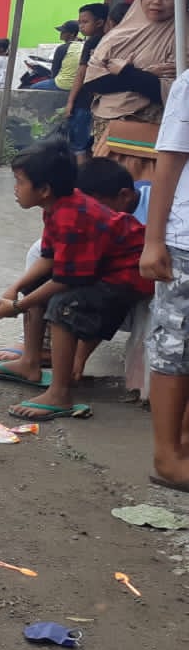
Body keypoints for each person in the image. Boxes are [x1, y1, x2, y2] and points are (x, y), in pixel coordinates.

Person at [0, 144, 151, 422]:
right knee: (35, 286)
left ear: (44, 189)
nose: (15, 188)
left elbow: (67, 279)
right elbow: (49, 258)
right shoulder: (55, 207)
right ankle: (30, 363)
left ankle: (60, 394)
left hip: (127, 275)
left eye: (20, 182)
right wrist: (16, 289)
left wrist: (17, 306)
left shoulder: (72, 215)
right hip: (99, 268)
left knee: (64, 306)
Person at [144, 70, 189, 489]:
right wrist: (153, 239)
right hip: (185, 241)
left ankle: (185, 446)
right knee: (174, 348)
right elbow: (169, 161)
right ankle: (167, 454)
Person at [86, 0, 179, 156]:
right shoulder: (119, 33)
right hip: (108, 125)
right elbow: (94, 82)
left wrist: (126, 71)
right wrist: (145, 75)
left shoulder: (181, 36)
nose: (157, 1)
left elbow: (175, 92)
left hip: (154, 132)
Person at [66, 2, 111, 161]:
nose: (81, 26)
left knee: (79, 147)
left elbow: (81, 73)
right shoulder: (111, 40)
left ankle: (81, 183)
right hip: (102, 104)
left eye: (85, 22)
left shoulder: (92, 42)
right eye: (79, 22)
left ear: (99, 23)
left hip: (85, 101)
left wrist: (70, 101)